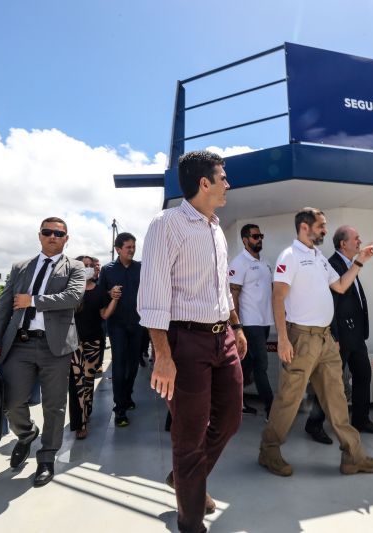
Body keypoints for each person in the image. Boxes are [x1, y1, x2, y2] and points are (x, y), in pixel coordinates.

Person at [138, 150, 247, 533]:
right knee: (189, 435)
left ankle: (184, 480)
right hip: (185, 342)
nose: (227, 184)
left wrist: (236, 326)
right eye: (223, 177)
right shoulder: (166, 225)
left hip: (223, 339)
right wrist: (163, 357)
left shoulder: (215, 227)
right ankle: (190, 523)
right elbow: (152, 299)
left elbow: (221, 286)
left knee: (231, 419)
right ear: (204, 183)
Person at [259, 207, 373, 478]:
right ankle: (269, 451)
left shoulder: (318, 258)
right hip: (300, 338)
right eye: (321, 226)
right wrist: (282, 339)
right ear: (305, 227)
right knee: (289, 399)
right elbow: (278, 297)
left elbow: (340, 286)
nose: (325, 231)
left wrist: (359, 262)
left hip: (326, 339)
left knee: (337, 397)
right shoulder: (289, 256)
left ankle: (353, 457)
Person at [0, 217, 85, 487]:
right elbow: (4, 305)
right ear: (40, 236)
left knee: (54, 405)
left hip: (56, 347)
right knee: (11, 401)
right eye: (48, 232)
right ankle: (27, 434)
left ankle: (46, 457)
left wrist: (34, 301)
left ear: (66, 238)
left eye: (59, 233)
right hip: (19, 343)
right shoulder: (20, 267)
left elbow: (73, 298)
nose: (53, 236)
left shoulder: (75, 267)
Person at [305, 225, 373, 445]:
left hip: (357, 336)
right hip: (341, 337)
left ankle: (361, 420)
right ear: (343, 243)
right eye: (356, 238)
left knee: (363, 376)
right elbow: (330, 303)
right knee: (330, 384)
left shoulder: (350, 264)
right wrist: (335, 336)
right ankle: (313, 424)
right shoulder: (333, 264)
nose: (359, 242)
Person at [69, 255, 118, 439]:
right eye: (84, 266)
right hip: (73, 342)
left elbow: (104, 315)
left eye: (91, 265)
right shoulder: (70, 291)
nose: (88, 268)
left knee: (88, 382)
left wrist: (114, 300)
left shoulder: (99, 292)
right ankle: (79, 423)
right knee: (76, 383)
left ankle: (86, 410)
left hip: (94, 342)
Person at [229, 223, 274, 420]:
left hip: (264, 322)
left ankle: (235, 403)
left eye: (261, 235)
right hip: (249, 324)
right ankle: (271, 409)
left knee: (246, 365)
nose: (259, 239)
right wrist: (236, 326)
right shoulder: (239, 263)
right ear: (245, 240)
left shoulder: (265, 262)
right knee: (261, 365)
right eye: (255, 236)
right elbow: (233, 295)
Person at [98, 233, 143, 427]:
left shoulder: (141, 268)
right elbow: (100, 295)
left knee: (133, 365)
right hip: (116, 325)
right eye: (128, 247)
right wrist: (109, 293)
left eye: (133, 246)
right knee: (118, 365)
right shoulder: (107, 270)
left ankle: (127, 396)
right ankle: (120, 409)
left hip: (139, 324)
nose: (132, 250)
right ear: (118, 249)